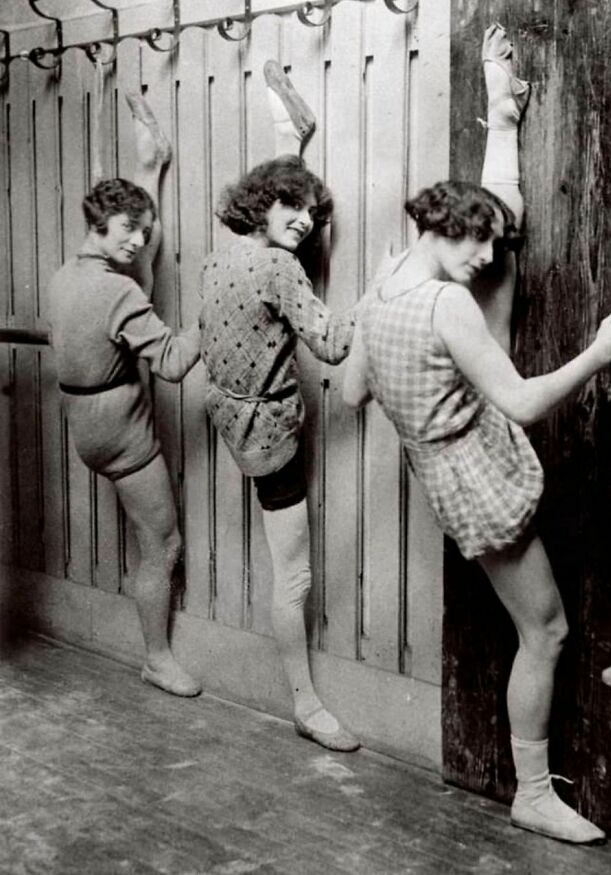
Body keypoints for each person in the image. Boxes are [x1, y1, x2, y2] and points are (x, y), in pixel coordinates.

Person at [342, 24, 611, 843]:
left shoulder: (386, 280)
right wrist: (600, 350)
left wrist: (419, 388)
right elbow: (522, 401)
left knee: (501, 247)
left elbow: (350, 388)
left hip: (437, 461)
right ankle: (533, 791)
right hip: (476, 469)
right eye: (468, 242)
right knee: (545, 628)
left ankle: (499, 113)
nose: (480, 255)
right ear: (439, 228)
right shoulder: (443, 304)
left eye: (484, 240)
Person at [198, 62, 360, 751]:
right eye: (291, 209)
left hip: (231, 417)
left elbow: (273, 237)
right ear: (262, 205)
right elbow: (331, 345)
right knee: (292, 575)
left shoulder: (222, 253)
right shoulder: (279, 266)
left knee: (283, 569)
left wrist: (290, 172)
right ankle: (305, 703)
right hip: (271, 435)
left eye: (313, 214)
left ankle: (286, 134)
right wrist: (377, 294)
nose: (305, 222)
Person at [48, 94, 201, 698]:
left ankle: (150, 164)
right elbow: (171, 364)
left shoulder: (69, 273)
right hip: (124, 436)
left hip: (85, 427)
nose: (137, 238)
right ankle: (157, 659)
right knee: (163, 544)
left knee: (139, 273)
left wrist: (142, 194)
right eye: (127, 229)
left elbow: (133, 268)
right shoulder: (120, 295)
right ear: (98, 226)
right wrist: (212, 317)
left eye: (143, 228)